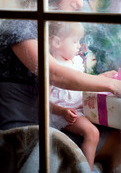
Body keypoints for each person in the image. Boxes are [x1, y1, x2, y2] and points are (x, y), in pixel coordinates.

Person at [0, 0, 121, 172]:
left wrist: (102, 81)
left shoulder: (49, 27)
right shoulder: (20, 22)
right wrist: (111, 85)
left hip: (53, 119)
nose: (81, 3)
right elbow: (53, 73)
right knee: (119, 141)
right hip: (26, 125)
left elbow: (64, 71)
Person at [49, 21, 100, 171]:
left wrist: (103, 78)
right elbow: (42, 100)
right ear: (57, 42)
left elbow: (84, 84)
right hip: (64, 112)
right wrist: (61, 111)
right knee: (92, 133)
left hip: (80, 106)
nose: (79, 46)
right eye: (75, 41)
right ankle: (87, 169)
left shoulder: (76, 62)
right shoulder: (53, 67)